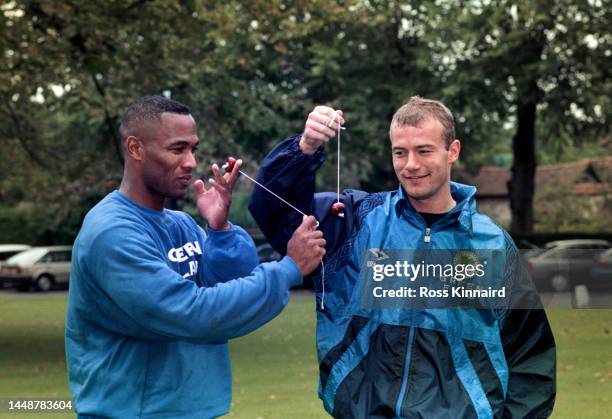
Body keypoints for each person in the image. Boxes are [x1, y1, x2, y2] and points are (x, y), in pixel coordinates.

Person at [249, 97, 556, 418]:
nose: (410, 164)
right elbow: (276, 214)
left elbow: (530, 352)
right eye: (400, 152)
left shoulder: (490, 243)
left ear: (452, 151)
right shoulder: (356, 220)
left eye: (424, 151)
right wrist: (305, 148)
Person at [65, 95, 326, 418]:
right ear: (135, 148)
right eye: (178, 149)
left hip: (194, 410)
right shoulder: (112, 232)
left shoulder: (181, 223)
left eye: (193, 149)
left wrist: (220, 231)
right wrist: (288, 268)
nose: (190, 162)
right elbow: (194, 313)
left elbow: (233, 293)